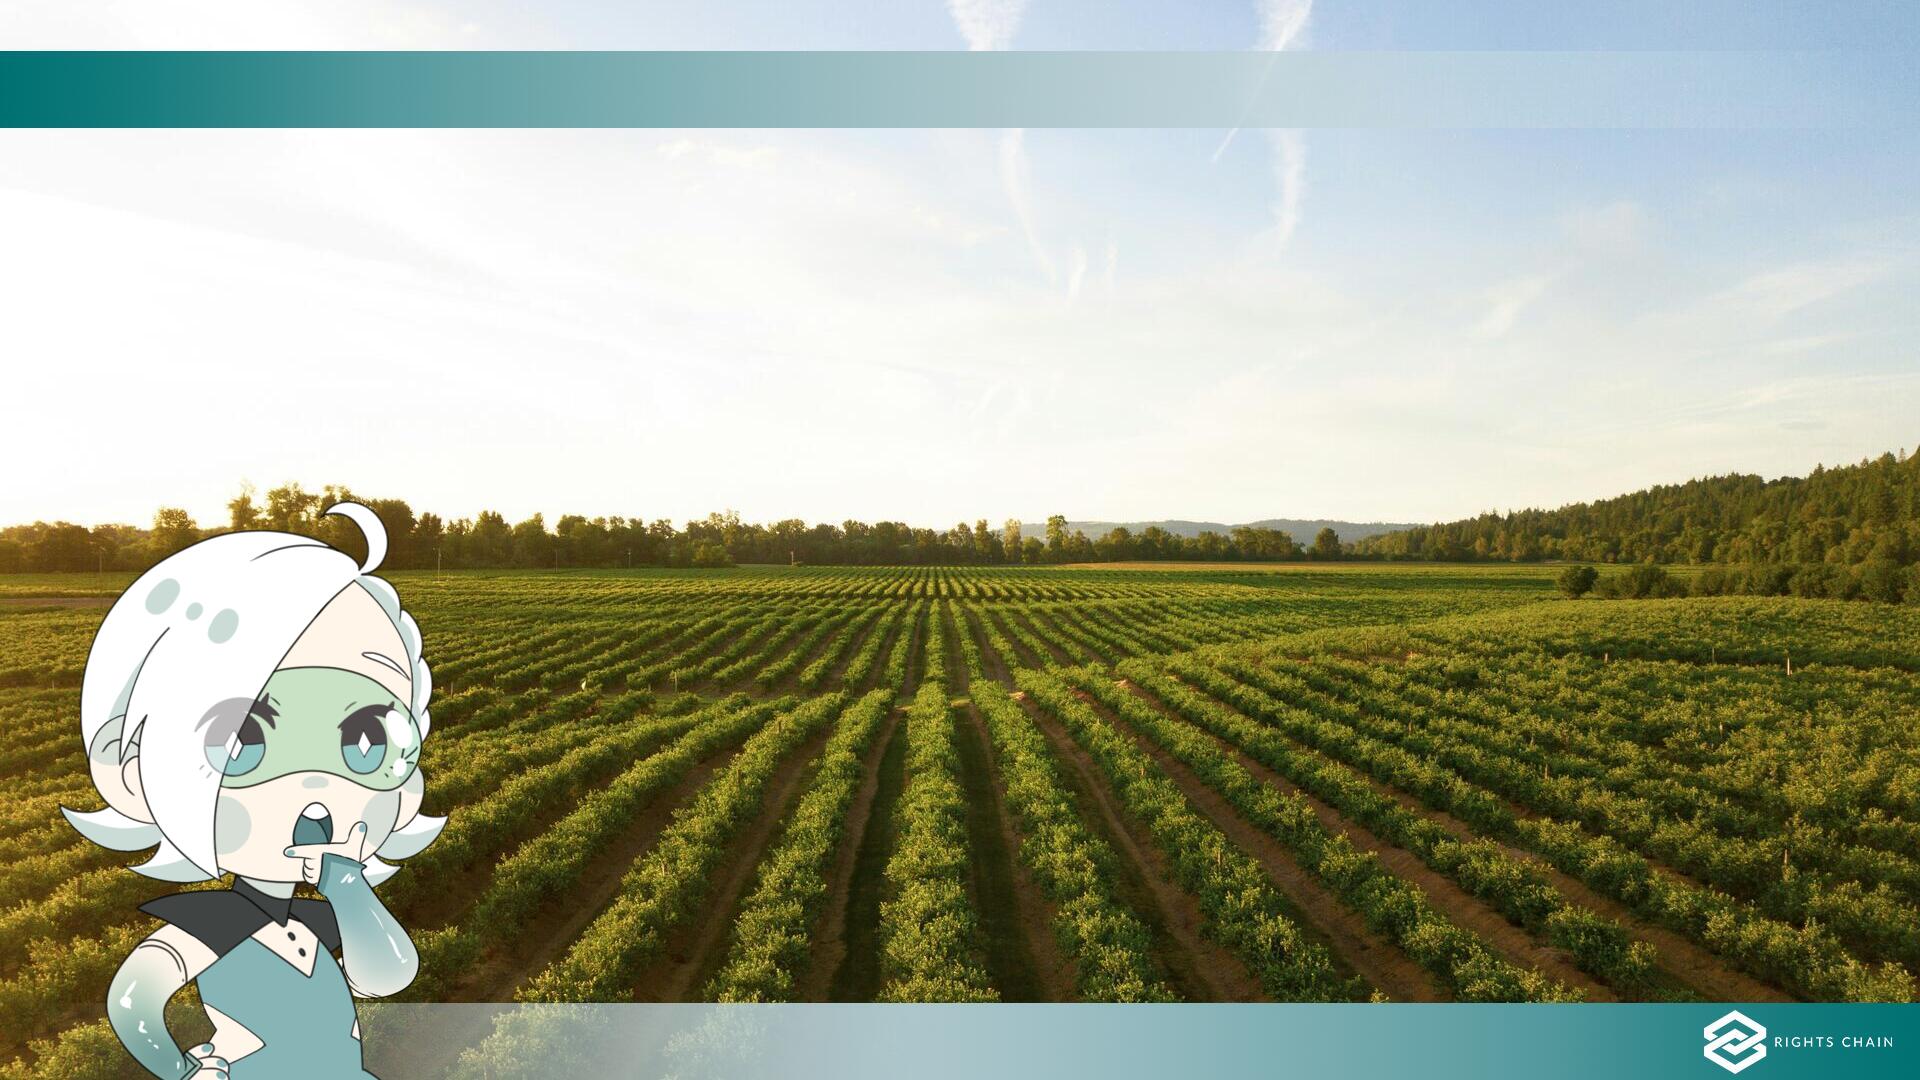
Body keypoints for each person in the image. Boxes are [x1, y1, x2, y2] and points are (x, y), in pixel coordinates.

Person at [64, 504, 445, 1079]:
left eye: (366, 739)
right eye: (246, 743)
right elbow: (133, 999)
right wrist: (181, 1070)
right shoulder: (214, 922)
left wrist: (348, 887)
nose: (317, 792)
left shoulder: (318, 923)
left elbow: (389, 974)